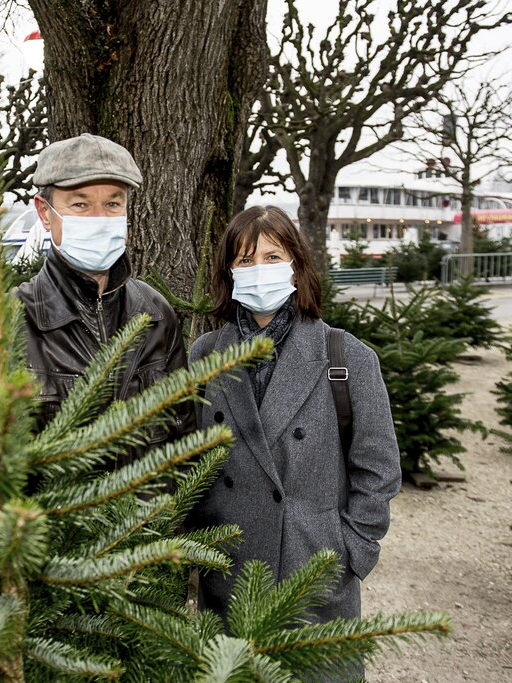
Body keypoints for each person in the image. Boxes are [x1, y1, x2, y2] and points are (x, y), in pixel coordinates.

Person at [0, 133, 189, 559]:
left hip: (147, 560)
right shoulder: (11, 318)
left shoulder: (156, 314)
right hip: (50, 565)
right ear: (46, 213)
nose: (100, 216)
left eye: (113, 203)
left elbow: (182, 434)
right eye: (80, 204)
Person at [187, 206, 401, 646]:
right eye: (245, 260)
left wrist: (352, 551)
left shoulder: (346, 356)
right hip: (228, 568)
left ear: (296, 267)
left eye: (272, 256)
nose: (258, 269)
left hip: (314, 570)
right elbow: (188, 462)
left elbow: (379, 468)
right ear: (229, 272)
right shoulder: (204, 355)